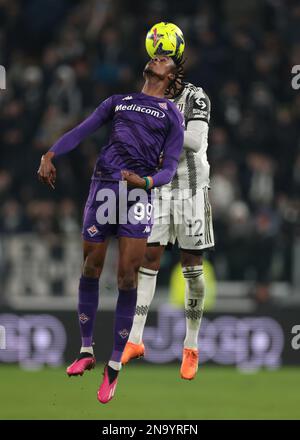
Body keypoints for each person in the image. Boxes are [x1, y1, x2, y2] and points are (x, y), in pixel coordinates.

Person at [37, 55, 184, 403]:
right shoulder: (119, 101)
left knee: (127, 278)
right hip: (104, 186)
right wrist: (50, 154)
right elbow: (82, 129)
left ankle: (114, 365)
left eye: (167, 59)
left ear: (171, 78)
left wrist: (146, 181)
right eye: (156, 54)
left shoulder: (172, 115)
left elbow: (170, 169)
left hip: (137, 194)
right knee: (90, 267)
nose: (158, 56)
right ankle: (86, 349)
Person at [122, 73, 214, 381]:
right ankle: (134, 339)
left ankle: (191, 345)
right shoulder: (146, 98)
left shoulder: (196, 96)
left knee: (193, 269)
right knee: (148, 259)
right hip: (159, 190)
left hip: (191, 190)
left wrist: (163, 127)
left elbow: (197, 140)